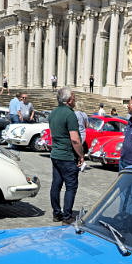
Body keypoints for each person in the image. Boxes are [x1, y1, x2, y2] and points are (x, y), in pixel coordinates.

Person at [48, 87, 85, 224]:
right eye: (74, 97)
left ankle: (56, 213)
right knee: (71, 186)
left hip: (55, 154)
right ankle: (67, 216)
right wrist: (81, 155)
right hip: (67, 156)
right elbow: (75, 139)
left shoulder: (53, 113)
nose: (75, 100)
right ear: (69, 100)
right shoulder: (70, 114)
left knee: (56, 185)